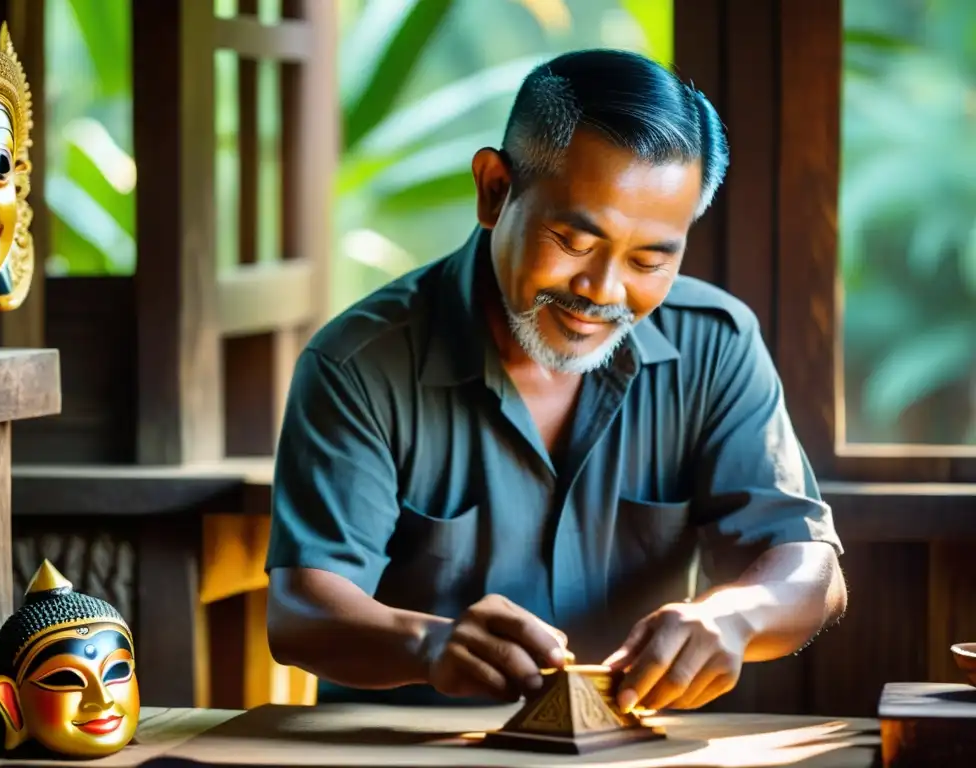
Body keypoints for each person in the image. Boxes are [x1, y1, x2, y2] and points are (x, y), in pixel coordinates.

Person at [265, 48, 846, 713]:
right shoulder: (358, 364)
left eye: (650, 259)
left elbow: (809, 566)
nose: (603, 291)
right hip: (413, 753)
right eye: (574, 240)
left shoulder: (714, 344)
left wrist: (734, 618)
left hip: (632, 750)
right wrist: (429, 646)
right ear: (493, 190)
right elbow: (301, 613)